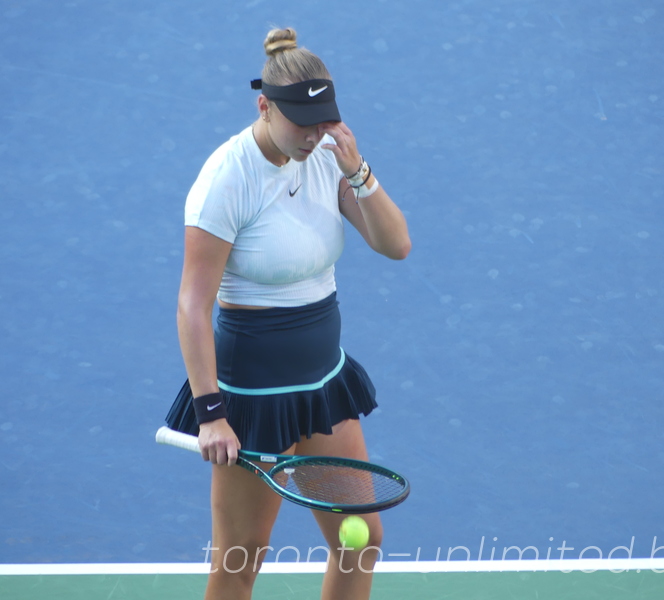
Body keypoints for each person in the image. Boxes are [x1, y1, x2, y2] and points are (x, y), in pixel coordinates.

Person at [166, 27, 411, 600]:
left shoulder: (329, 154)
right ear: (264, 107)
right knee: (240, 560)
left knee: (360, 539)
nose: (313, 134)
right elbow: (192, 303)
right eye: (302, 123)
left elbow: (396, 244)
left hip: (324, 385)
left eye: (324, 120)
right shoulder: (227, 179)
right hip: (252, 403)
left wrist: (359, 171)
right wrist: (210, 412)